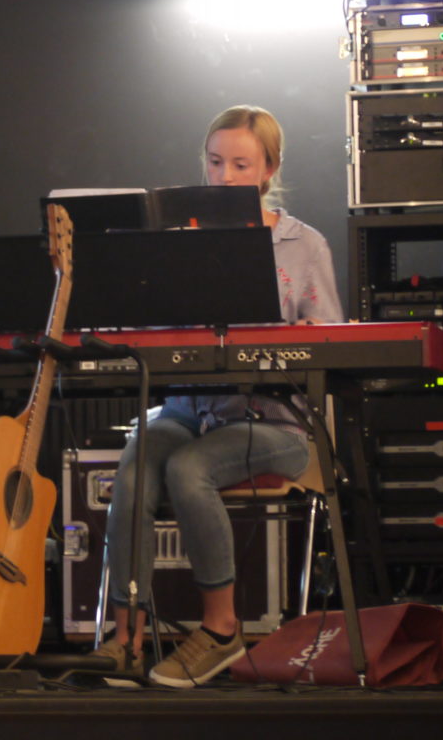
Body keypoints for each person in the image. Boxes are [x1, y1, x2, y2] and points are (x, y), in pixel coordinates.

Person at [94, 104, 342, 688]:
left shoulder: (303, 244)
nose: (224, 176)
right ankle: (125, 637)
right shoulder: (180, 242)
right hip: (188, 409)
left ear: (269, 169)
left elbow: (331, 341)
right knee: (135, 465)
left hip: (276, 422)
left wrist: (304, 338)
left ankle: (222, 628)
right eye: (214, 162)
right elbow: (151, 331)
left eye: (240, 165)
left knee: (189, 469)